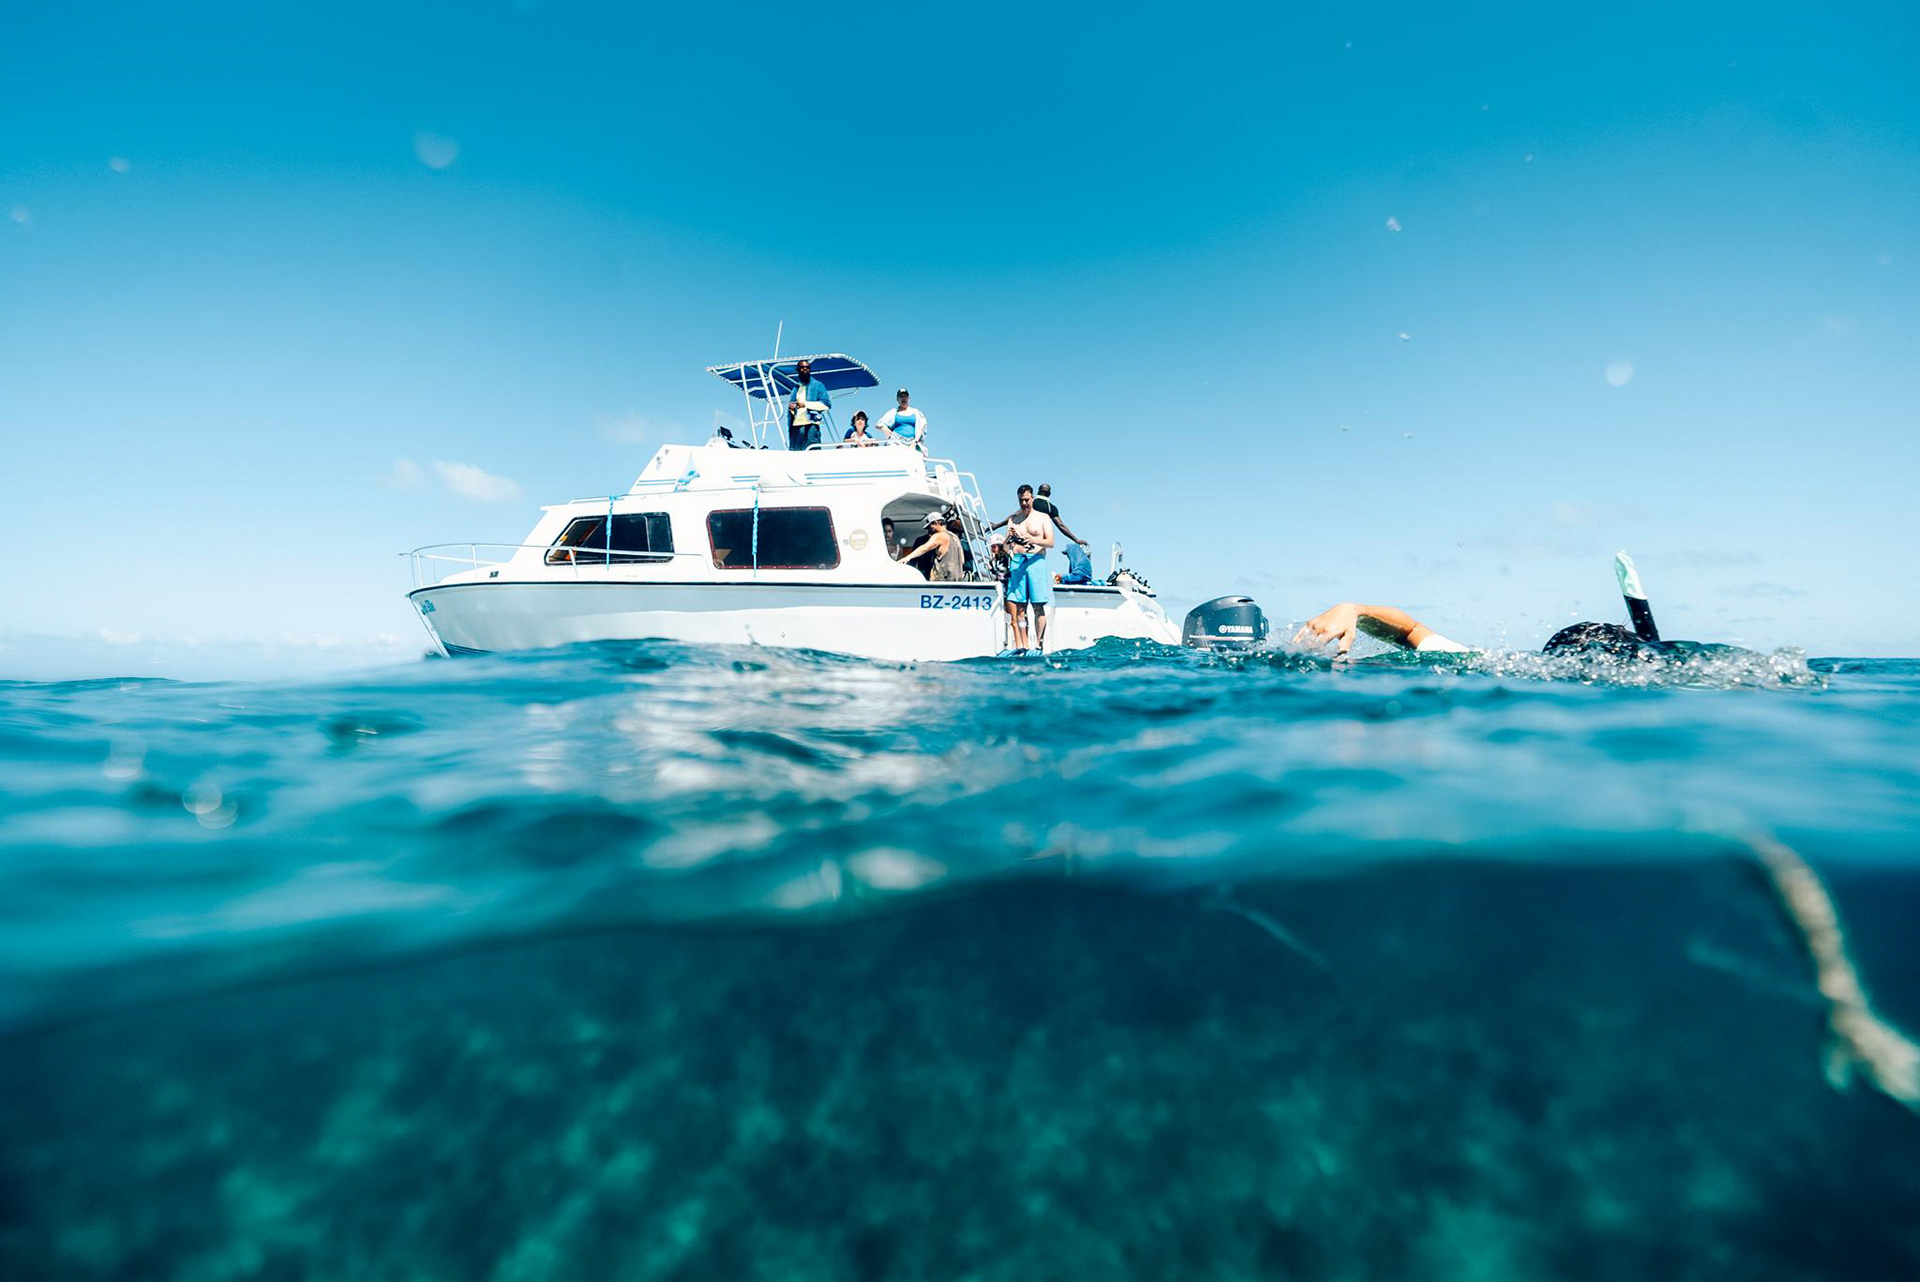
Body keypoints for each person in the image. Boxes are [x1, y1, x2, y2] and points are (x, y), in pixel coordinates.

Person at [1001, 484, 1056, 650]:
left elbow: (1050, 542)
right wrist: (1010, 540)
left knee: (1038, 606)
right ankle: (1024, 645)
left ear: (1032, 498)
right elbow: (1005, 547)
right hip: (1018, 562)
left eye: (1026, 500)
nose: (1024, 503)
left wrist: (1033, 540)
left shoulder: (1043, 517)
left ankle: (1039, 644)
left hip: (1036, 560)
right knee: (1020, 608)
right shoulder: (1013, 520)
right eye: (1021, 500)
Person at [901, 512, 965, 582]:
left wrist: (907, 558)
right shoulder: (955, 537)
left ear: (936, 522)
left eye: (930, 527)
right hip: (957, 582)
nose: (929, 530)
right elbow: (962, 560)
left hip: (942, 583)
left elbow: (924, 548)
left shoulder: (939, 536)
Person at [786, 359, 831, 452]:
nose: (805, 369)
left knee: (813, 454)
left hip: (811, 426)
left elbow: (826, 404)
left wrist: (805, 404)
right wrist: (792, 409)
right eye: (802, 367)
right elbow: (793, 408)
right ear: (797, 370)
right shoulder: (795, 388)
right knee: (796, 456)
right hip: (796, 427)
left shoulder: (818, 385)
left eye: (807, 367)